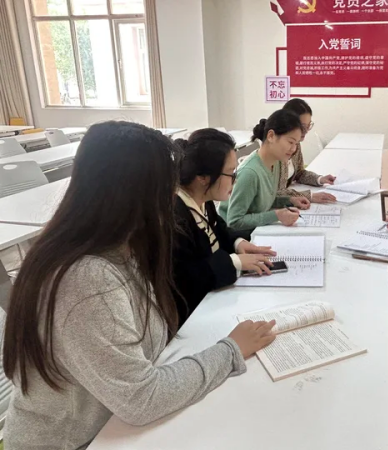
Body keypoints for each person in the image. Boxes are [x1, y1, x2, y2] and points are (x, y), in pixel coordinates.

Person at [2, 121, 276, 450]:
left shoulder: (122, 247)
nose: (172, 201)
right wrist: (230, 350)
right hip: (79, 442)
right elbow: (142, 399)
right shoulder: (87, 278)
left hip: (114, 423)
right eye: (166, 191)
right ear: (135, 196)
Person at [173, 128, 279, 327]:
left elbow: (219, 229)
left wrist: (238, 243)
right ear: (203, 177)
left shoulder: (203, 198)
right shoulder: (176, 217)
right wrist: (234, 261)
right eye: (230, 173)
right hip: (193, 316)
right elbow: (188, 278)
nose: (235, 180)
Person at [219, 109, 309, 230]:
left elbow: (261, 202)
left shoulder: (276, 162)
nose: (294, 149)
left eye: (296, 144)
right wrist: (276, 215)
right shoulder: (250, 173)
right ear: (271, 136)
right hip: (235, 235)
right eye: (290, 142)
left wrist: (289, 200)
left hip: (256, 229)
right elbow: (234, 221)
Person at [278, 98, 336, 203]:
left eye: (309, 126)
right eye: (303, 126)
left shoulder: (296, 143)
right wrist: (309, 196)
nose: (306, 131)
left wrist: (320, 179)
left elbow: (299, 173)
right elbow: (275, 192)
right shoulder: (276, 149)